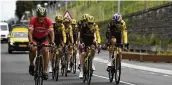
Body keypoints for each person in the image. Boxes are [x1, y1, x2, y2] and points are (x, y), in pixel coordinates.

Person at [28, 7, 55, 80]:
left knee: (46, 50)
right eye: (39, 16)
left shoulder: (48, 21)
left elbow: (52, 33)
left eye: (42, 17)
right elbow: (30, 33)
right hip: (34, 38)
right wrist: (31, 42)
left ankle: (45, 71)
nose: (41, 18)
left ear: (45, 16)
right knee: (33, 49)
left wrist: (52, 42)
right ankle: (31, 64)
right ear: (37, 15)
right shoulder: (33, 20)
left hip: (44, 38)